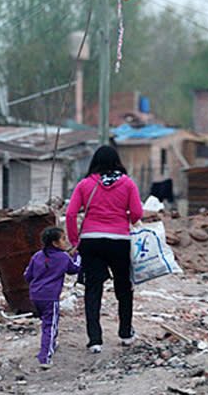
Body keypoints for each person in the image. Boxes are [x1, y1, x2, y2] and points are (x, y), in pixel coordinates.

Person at [65, 145, 143, 353]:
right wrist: (124, 220)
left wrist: (75, 242)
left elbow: (71, 214)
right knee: (124, 287)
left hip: (91, 240)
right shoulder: (128, 184)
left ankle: (95, 340)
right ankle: (125, 333)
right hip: (119, 240)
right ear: (117, 161)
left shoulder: (84, 184)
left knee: (93, 288)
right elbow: (137, 212)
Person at [24, 226, 81, 368]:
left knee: (47, 323)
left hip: (35, 296)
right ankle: (45, 357)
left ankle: (51, 345)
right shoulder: (63, 257)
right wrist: (78, 256)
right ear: (55, 243)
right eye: (63, 239)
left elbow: (27, 276)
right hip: (50, 297)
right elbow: (74, 269)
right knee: (50, 325)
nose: (66, 241)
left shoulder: (37, 256)